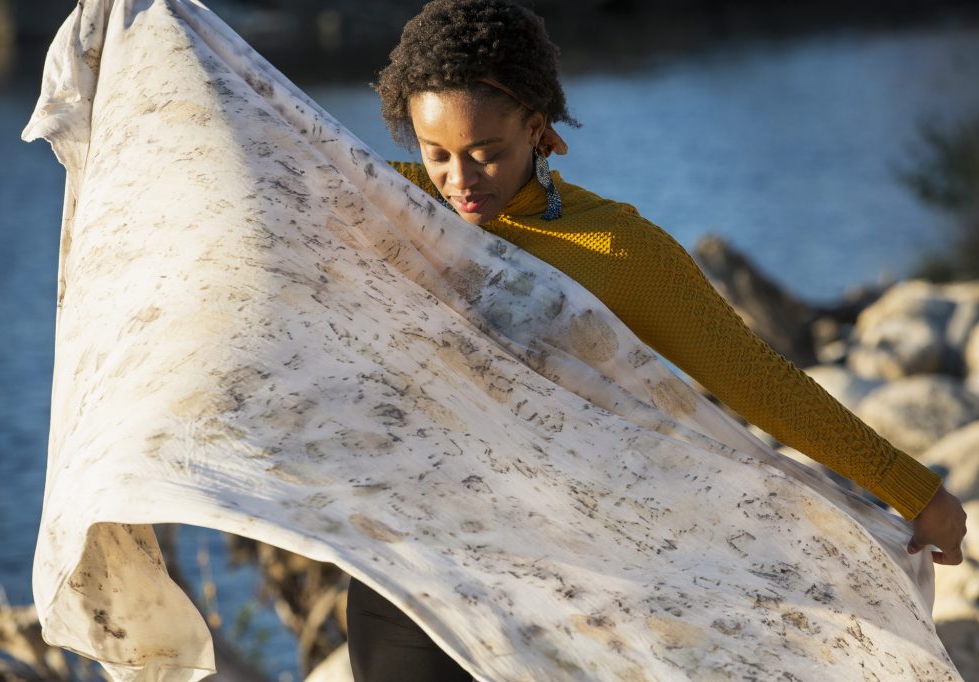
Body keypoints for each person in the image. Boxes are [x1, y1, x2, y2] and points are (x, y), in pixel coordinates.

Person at [345, 0, 968, 679]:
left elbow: (753, 376)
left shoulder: (612, 245)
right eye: (436, 153)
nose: (459, 180)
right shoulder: (388, 200)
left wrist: (914, 490)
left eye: (486, 154)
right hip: (406, 557)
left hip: (557, 571)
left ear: (536, 127)